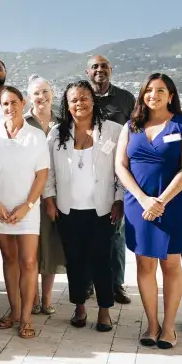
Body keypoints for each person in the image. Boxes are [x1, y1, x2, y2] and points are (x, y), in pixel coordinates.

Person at [115, 73, 182, 350]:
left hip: (171, 205)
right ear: (142, 95)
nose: (154, 95)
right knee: (144, 265)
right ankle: (152, 324)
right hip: (138, 206)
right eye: (149, 90)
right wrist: (143, 199)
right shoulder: (131, 126)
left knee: (172, 265)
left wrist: (160, 200)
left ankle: (170, 327)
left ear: (171, 95)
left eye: (161, 90)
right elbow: (121, 167)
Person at [44, 81, 123, 333]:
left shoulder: (114, 131)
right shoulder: (57, 133)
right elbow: (48, 172)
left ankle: (104, 310)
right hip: (68, 210)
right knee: (75, 261)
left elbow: (123, 169)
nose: (79, 103)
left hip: (103, 209)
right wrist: (49, 199)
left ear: (93, 99)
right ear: (67, 105)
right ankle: (79, 306)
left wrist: (119, 198)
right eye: (74, 100)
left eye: (84, 98)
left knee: (102, 260)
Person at [0, 86, 49, 339]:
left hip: (27, 210)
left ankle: (26, 318)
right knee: (9, 260)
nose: (9, 108)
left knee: (29, 262)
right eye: (5, 104)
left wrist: (27, 206)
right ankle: (13, 311)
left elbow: (42, 174)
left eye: (14, 102)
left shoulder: (36, 135)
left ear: (23, 103)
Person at [87, 56, 135, 306]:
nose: (99, 70)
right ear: (87, 71)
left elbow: (136, 130)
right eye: (94, 66)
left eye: (104, 66)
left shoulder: (125, 98)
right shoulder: (82, 95)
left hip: (117, 173)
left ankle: (116, 284)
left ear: (111, 70)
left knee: (116, 233)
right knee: (87, 235)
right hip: (86, 175)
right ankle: (86, 284)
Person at [25, 75, 65, 315]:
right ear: (29, 97)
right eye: (36, 93)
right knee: (31, 249)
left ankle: (47, 298)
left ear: (52, 93)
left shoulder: (63, 122)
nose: (41, 97)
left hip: (56, 194)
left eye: (45, 91)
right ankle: (33, 298)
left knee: (49, 246)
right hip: (27, 193)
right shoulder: (23, 122)